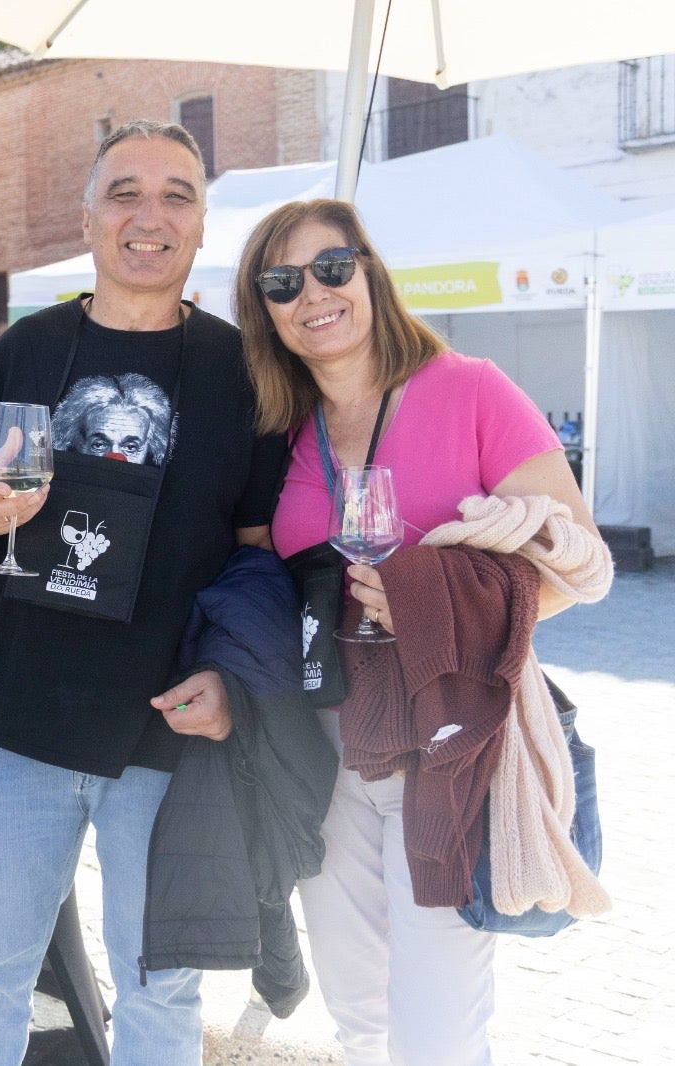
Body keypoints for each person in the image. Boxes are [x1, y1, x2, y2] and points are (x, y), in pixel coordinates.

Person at [0, 119, 285, 1065]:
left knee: (162, 991)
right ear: (87, 217)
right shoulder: (22, 353)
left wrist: (232, 680)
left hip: (169, 732)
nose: (148, 215)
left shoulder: (243, 372)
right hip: (16, 726)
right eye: (124, 191)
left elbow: (260, 558)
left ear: (203, 226)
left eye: (176, 194)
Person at [232, 198, 604, 1065]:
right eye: (284, 282)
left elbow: (577, 561)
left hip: (445, 741)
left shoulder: (469, 389)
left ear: (369, 272)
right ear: (265, 310)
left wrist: (435, 616)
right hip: (323, 747)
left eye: (333, 267)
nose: (314, 294)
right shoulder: (279, 432)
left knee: (436, 1030)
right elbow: (253, 578)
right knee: (358, 1012)